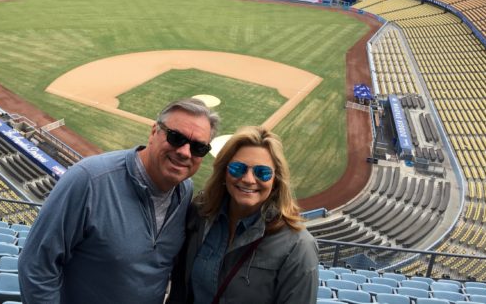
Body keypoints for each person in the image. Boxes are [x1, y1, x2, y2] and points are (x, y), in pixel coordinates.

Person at [19, 98, 220, 304]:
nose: (185, 152)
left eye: (198, 148)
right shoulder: (89, 180)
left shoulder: (185, 191)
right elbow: (36, 267)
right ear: (154, 132)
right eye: (176, 137)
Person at [167, 126, 319, 304]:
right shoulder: (200, 214)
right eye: (238, 168)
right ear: (224, 171)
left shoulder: (299, 247)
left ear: (275, 180)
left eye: (262, 172)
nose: (248, 179)